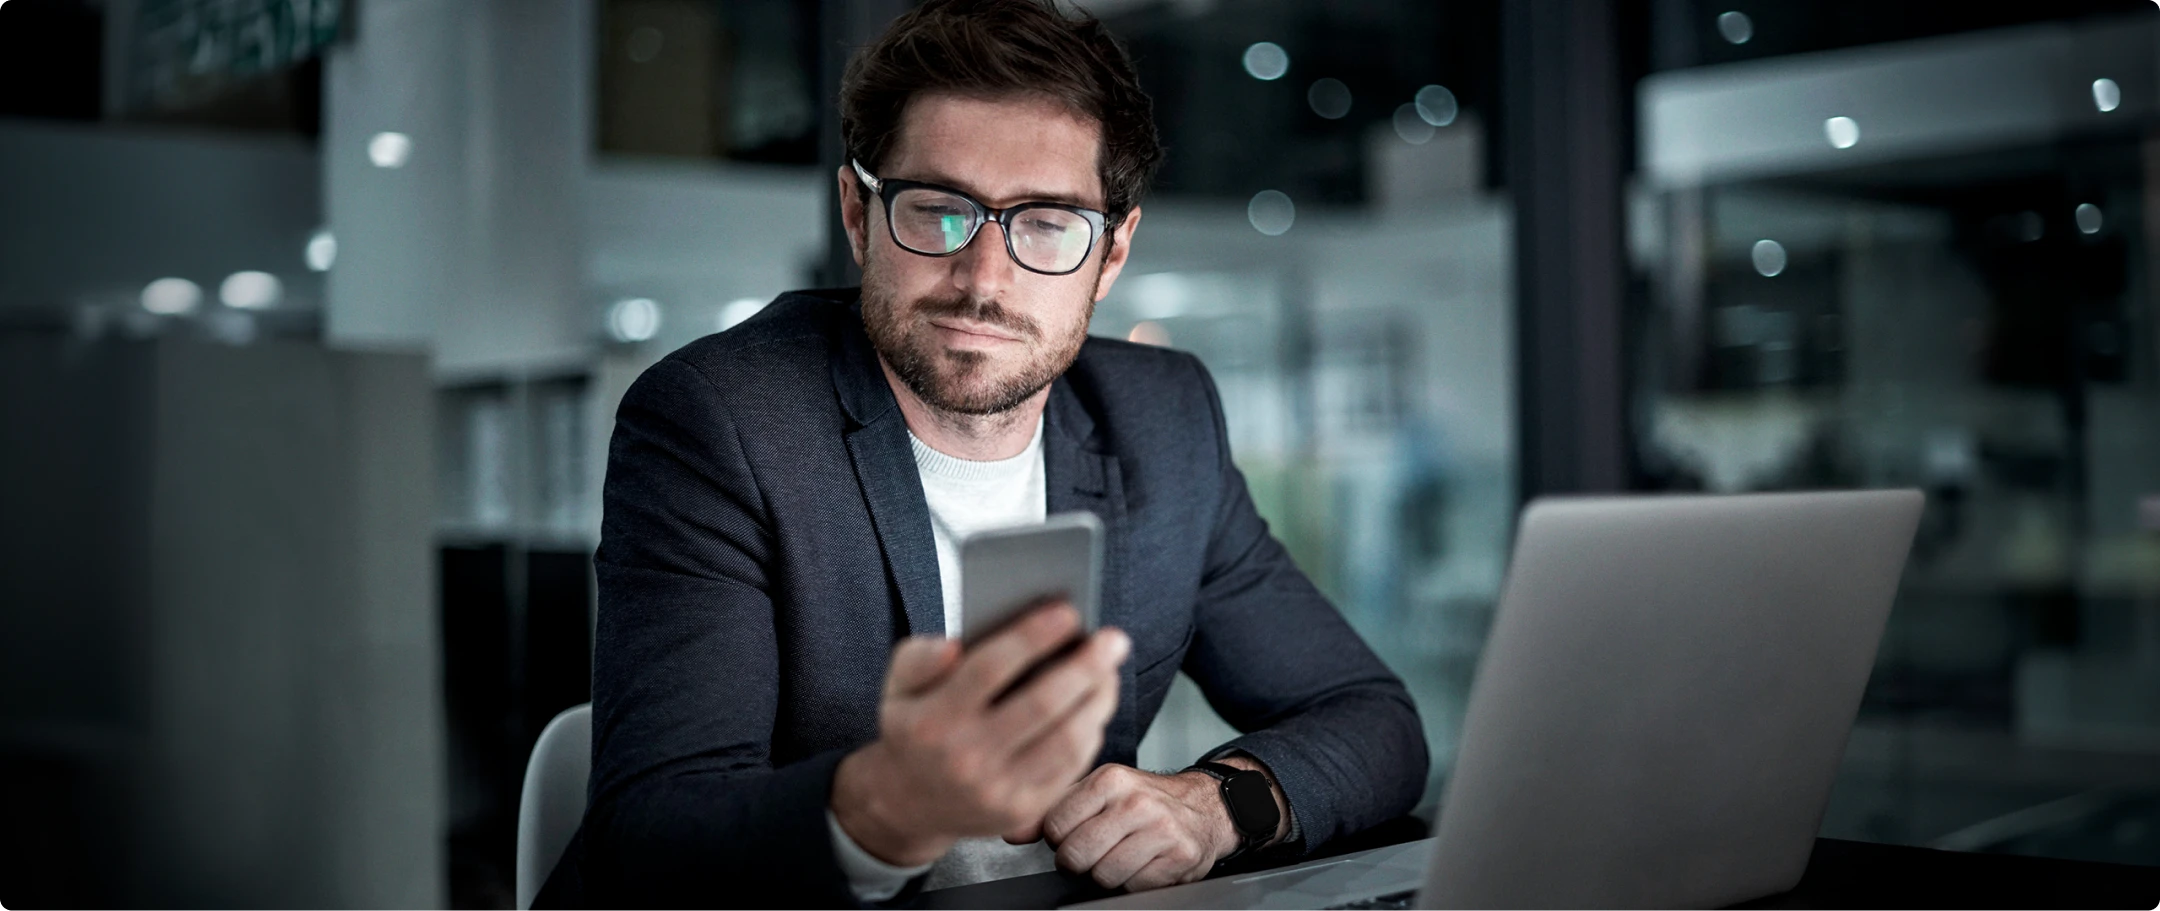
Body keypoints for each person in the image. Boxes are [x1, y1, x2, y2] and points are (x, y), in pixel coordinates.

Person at [539, 0, 1426, 906]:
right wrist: (891, 804)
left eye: (1046, 224)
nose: (983, 280)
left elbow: (1374, 720)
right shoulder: (721, 422)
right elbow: (650, 841)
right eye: (937, 211)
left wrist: (1217, 805)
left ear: (1112, 252)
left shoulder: (1164, 420)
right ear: (858, 212)